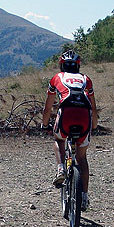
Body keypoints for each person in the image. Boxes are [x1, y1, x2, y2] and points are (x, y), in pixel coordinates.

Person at [41, 50, 98, 210]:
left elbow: (48, 108)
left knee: (58, 139)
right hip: (84, 117)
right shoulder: (86, 79)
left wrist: (45, 125)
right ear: (78, 66)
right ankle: (84, 197)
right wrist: (94, 126)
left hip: (66, 114)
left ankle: (60, 169)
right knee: (82, 157)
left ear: (61, 65)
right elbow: (93, 108)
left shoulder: (56, 78)